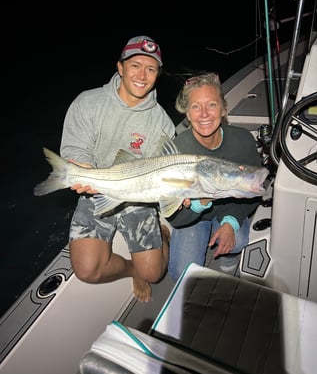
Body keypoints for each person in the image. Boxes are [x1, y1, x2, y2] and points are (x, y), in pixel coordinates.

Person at [60, 35, 175, 302]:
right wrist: (82, 169)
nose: (142, 75)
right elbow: (76, 150)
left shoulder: (162, 123)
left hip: (137, 195)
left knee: (154, 273)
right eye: (135, 65)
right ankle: (131, 268)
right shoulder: (88, 103)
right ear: (120, 67)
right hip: (97, 187)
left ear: (158, 74)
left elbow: (162, 170)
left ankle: (163, 232)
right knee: (87, 269)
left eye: (151, 69)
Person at [167, 72, 263, 282]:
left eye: (211, 105)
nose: (204, 114)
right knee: (181, 273)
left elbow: (255, 190)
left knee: (237, 240)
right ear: (188, 114)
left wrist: (230, 222)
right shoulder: (177, 151)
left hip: (229, 206)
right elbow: (174, 217)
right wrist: (198, 203)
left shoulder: (242, 140)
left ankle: (228, 255)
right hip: (192, 218)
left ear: (223, 109)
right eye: (195, 107)